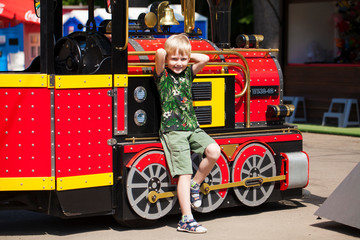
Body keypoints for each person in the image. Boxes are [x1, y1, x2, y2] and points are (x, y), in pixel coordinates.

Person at [154, 34, 221, 234]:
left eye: (183, 59)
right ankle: (186, 219)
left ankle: (195, 184)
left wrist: (186, 54)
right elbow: (159, 53)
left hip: (192, 127)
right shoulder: (162, 76)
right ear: (167, 60)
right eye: (174, 59)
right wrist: (168, 54)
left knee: (214, 150)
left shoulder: (188, 73)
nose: (179, 63)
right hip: (173, 130)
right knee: (184, 172)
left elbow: (205, 59)